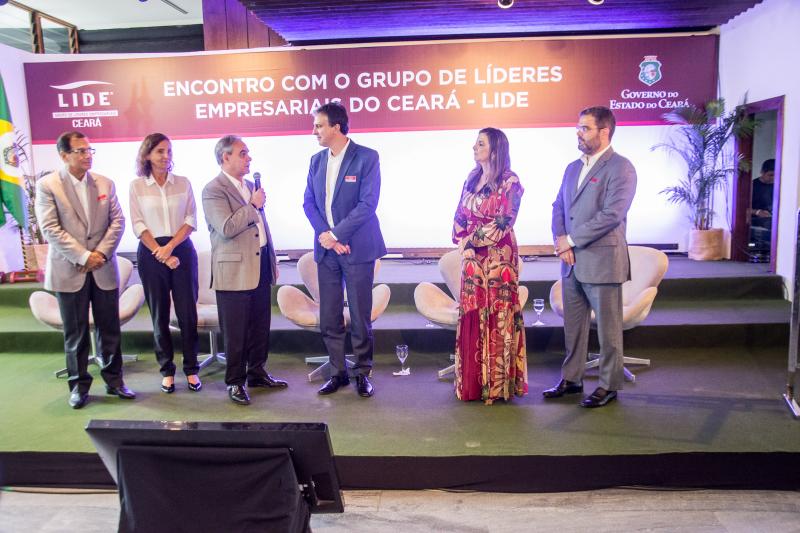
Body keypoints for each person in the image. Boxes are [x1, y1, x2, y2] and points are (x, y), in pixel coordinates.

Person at [35, 131, 135, 409]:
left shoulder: (105, 183)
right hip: (69, 270)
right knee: (76, 334)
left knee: (110, 330)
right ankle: (78, 387)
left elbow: (118, 222)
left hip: (103, 267)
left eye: (90, 150)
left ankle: (115, 381)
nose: (87, 155)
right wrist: (83, 256)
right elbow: (50, 228)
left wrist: (100, 254)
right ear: (64, 155)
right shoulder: (48, 185)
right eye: (80, 151)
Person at [546, 106, 637, 408]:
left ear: (604, 132)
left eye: (585, 128)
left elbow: (612, 215)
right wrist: (561, 240)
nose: (578, 133)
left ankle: (609, 385)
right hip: (571, 262)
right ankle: (572, 379)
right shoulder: (572, 167)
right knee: (573, 328)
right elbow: (558, 206)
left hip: (602, 262)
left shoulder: (621, 167)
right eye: (578, 127)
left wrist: (571, 240)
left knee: (609, 331)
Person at [303, 102, 386, 398]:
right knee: (330, 315)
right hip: (327, 250)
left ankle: (363, 372)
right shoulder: (316, 160)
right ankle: (338, 373)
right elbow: (308, 203)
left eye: (319, 126)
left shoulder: (367, 157)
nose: (314, 131)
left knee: (360, 315)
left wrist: (337, 234)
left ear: (336, 127)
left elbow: (368, 204)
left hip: (357, 247)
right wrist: (327, 236)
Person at [202, 135, 287, 405]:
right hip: (233, 270)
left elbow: (261, 227)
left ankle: (257, 373)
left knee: (260, 325)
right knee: (236, 331)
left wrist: (271, 260)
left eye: (248, 153)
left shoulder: (250, 186)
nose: (249, 158)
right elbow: (226, 227)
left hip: (259, 264)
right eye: (242, 153)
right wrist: (253, 206)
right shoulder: (213, 189)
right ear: (225, 157)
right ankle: (235, 382)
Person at [452, 127, 527, 404]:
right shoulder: (472, 177)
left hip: (498, 258)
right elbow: (460, 214)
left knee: (498, 314)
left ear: (495, 150)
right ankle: (472, 383)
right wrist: (462, 240)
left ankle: (496, 386)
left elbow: (505, 220)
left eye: (481, 143)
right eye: (476, 143)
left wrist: (471, 240)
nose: (474, 147)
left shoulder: (510, 181)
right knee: (473, 311)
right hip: (472, 260)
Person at [129, 133, 201, 394]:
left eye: (169, 151)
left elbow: (191, 219)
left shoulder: (183, 182)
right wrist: (160, 252)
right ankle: (167, 371)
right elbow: (138, 224)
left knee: (187, 314)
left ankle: (191, 369)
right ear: (147, 154)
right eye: (160, 151)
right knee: (159, 315)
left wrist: (170, 248)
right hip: (151, 253)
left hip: (181, 249)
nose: (166, 156)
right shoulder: (137, 186)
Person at [750, 158, 775, 232]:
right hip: (754, 220)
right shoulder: (751, 186)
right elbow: (742, 209)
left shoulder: (778, 187)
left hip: (772, 219)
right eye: (771, 175)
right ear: (762, 172)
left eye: (776, 175)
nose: (773, 178)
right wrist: (757, 212)